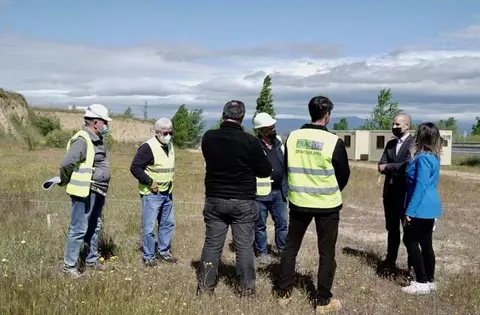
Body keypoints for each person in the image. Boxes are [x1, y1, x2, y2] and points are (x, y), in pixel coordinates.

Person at [275, 96, 350, 312]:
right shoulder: (333, 142)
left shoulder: (292, 137)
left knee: (290, 247)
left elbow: (288, 166)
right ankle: (323, 301)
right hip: (327, 205)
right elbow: (343, 175)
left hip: (298, 202)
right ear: (327, 115)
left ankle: (284, 293)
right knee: (326, 253)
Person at [197, 100, 272, 296]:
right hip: (242, 200)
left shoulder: (209, 137)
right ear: (242, 117)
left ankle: (205, 288)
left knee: (212, 245)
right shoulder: (250, 141)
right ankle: (246, 289)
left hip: (215, 198)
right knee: (244, 247)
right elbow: (264, 171)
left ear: (223, 115)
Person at [59, 103, 112, 278]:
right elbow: (67, 163)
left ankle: (91, 260)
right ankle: (69, 267)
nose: (107, 126)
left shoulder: (96, 140)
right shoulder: (82, 140)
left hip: (97, 191)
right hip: (84, 192)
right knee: (79, 229)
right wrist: (64, 180)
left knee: (94, 227)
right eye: (105, 122)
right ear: (96, 123)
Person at [401, 122, 442, 294]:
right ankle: (429, 279)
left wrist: (410, 211)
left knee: (410, 241)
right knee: (426, 243)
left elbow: (420, 186)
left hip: (421, 206)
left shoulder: (423, 158)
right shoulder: (433, 157)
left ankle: (421, 280)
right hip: (430, 206)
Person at [130, 118, 177, 267]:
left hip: (167, 192)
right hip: (152, 194)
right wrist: (150, 182)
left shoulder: (170, 145)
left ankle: (164, 252)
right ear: (157, 133)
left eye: (171, 132)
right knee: (149, 227)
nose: (168, 135)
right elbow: (135, 167)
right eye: (165, 132)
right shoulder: (147, 147)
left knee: (167, 223)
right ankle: (148, 256)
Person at [377, 113, 414, 275]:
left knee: (409, 232)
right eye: (393, 124)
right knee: (392, 230)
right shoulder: (390, 144)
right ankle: (390, 259)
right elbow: (380, 165)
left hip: (405, 194)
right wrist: (392, 167)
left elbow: (407, 166)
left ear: (407, 126)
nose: (394, 127)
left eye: (397, 125)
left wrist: (389, 168)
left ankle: (412, 265)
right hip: (390, 194)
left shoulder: (413, 144)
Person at [252, 112, 288, 264]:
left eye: (273, 126)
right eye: (270, 127)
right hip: (261, 194)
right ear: (262, 130)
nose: (274, 129)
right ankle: (262, 253)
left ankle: (283, 251)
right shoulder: (254, 145)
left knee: (282, 223)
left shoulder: (279, 142)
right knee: (260, 225)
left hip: (279, 191)